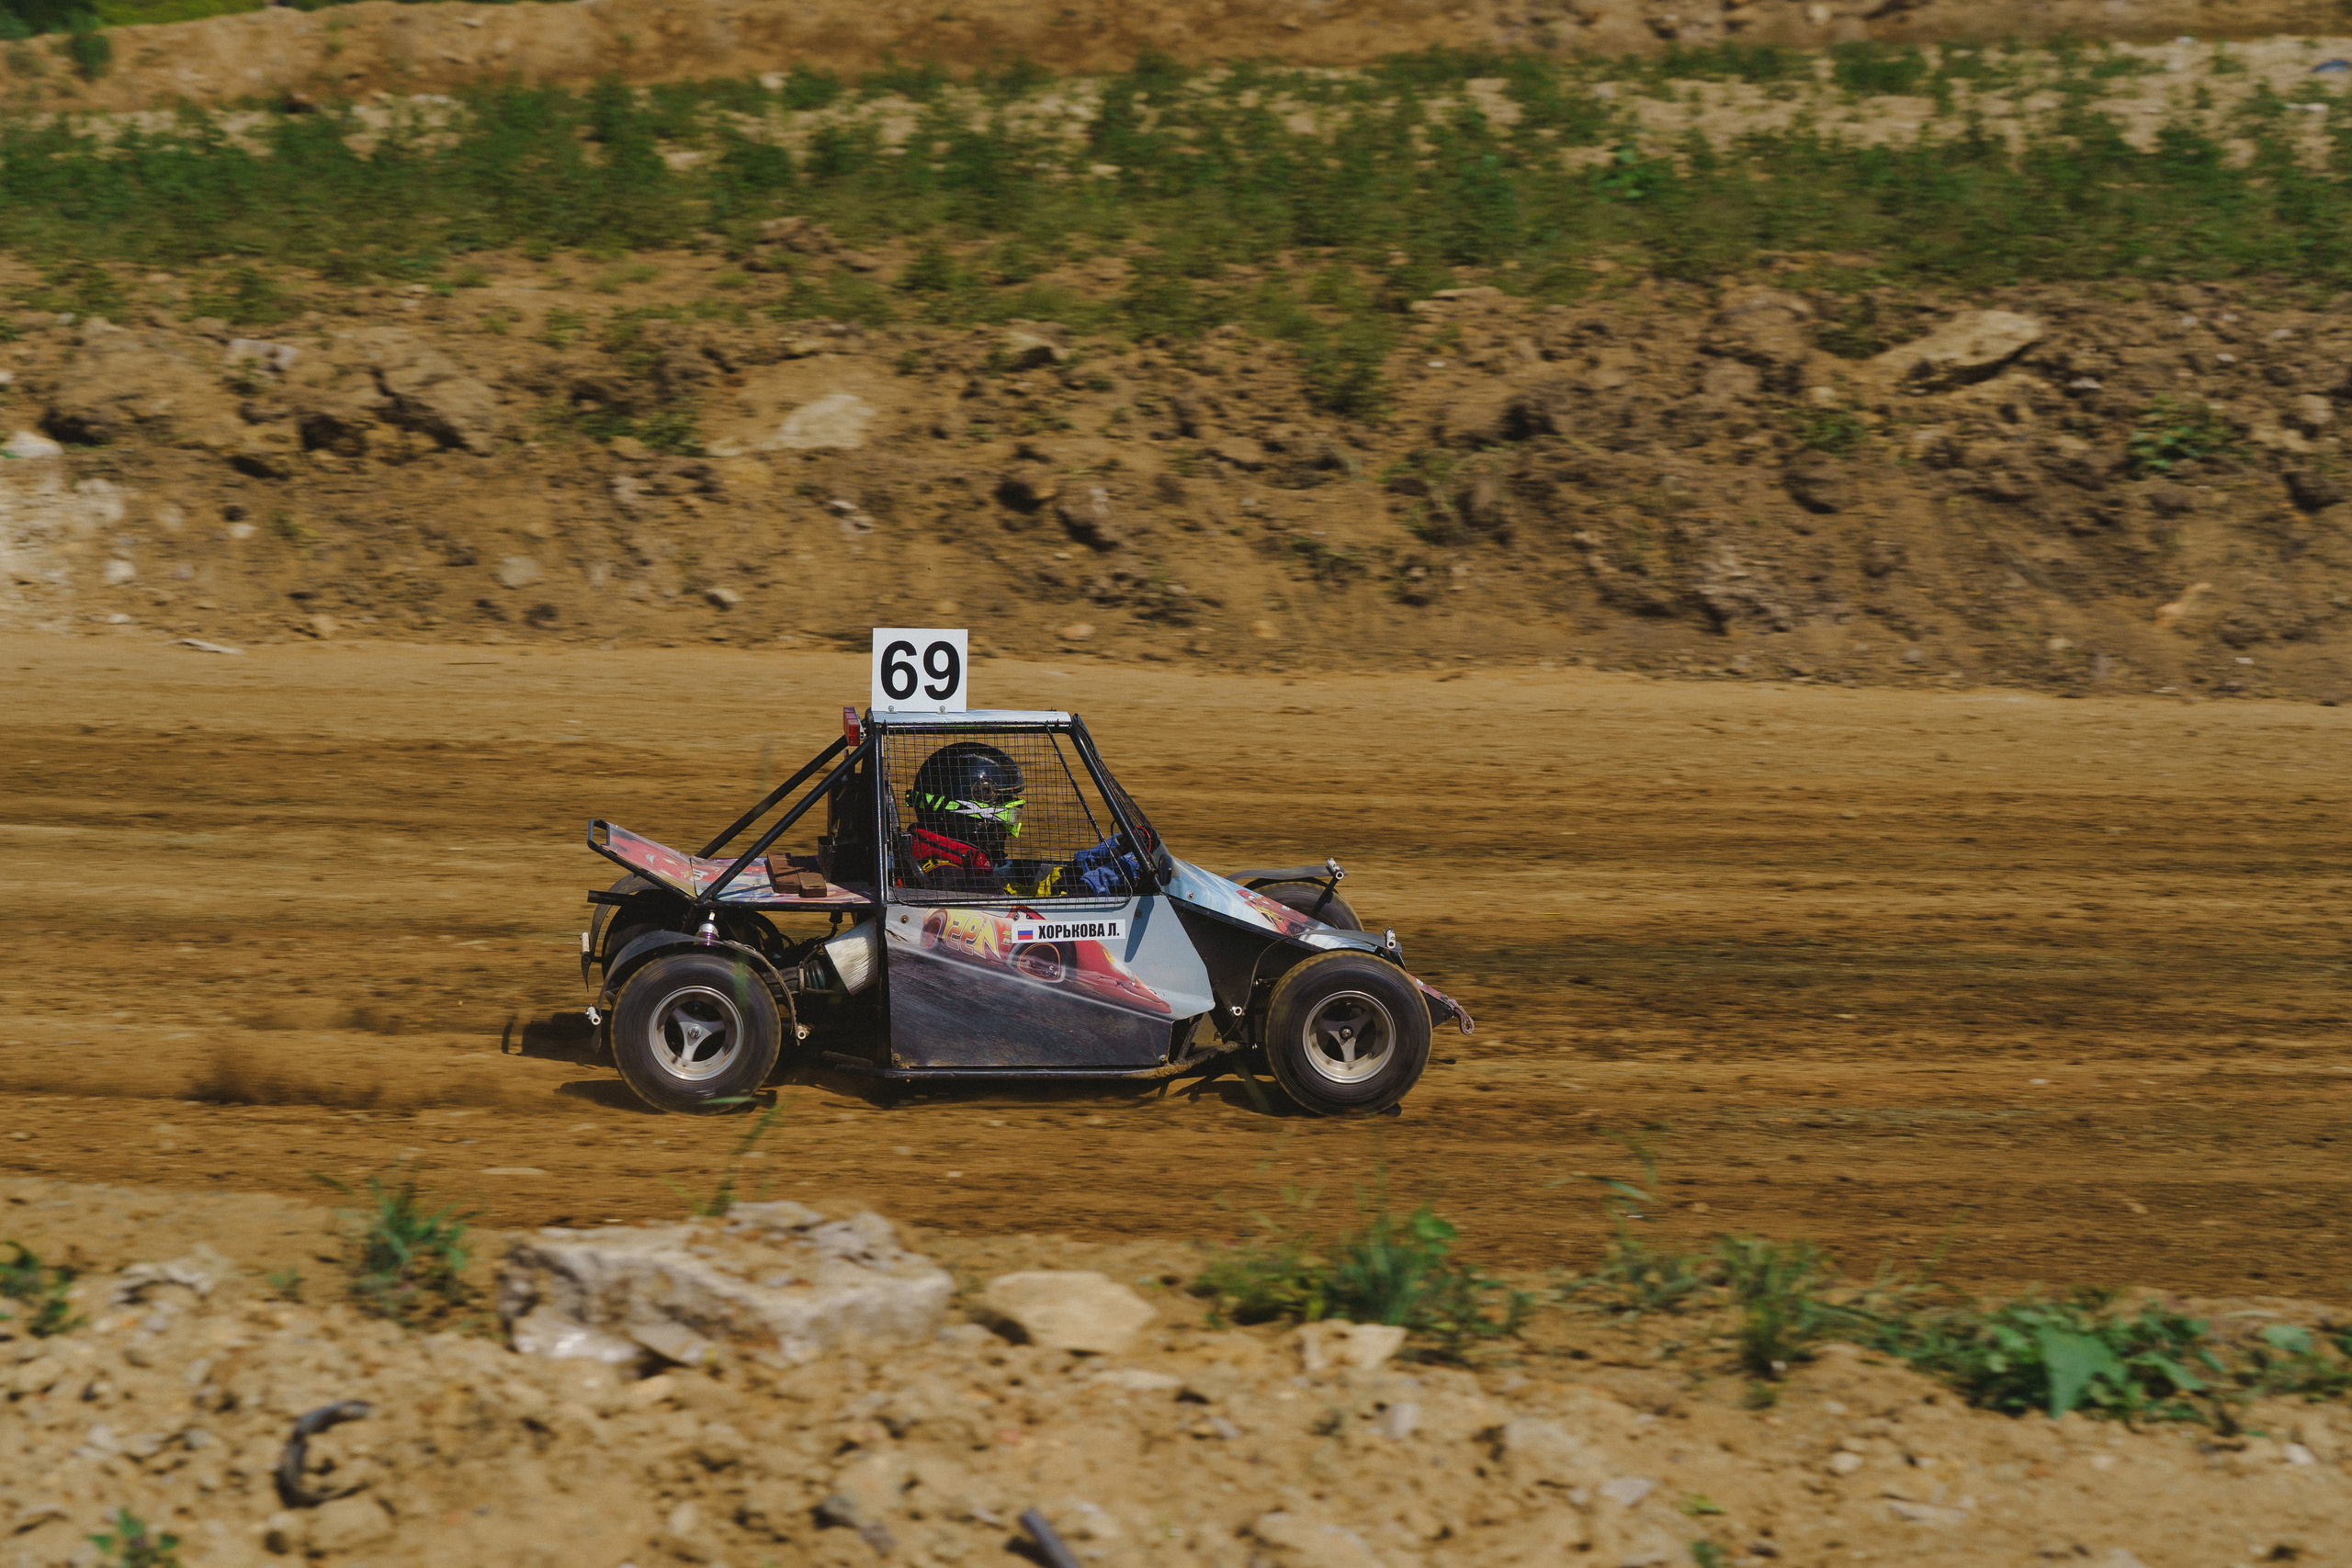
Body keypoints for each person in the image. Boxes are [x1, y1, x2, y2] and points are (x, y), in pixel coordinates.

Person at [902, 741, 1143, 897]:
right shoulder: (960, 881)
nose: (1006, 832)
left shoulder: (952, 862)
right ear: (969, 819)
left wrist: (1098, 859)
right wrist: (1097, 885)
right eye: (1005, 818)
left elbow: (1028, 885)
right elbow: (1032, 922)